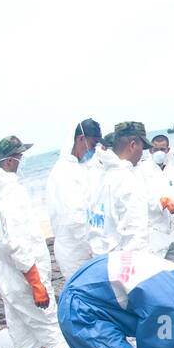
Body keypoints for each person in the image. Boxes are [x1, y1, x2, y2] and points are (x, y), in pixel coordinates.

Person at [0, 135, 77, 348]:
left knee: (23, 337)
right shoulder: (11, 193)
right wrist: (36, 281)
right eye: (21, 156)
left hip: (7, 276)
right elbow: (16, 242)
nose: (22, 160)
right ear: (12, 159)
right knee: (51, 329)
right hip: (24, 277)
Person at [45, 118, 103, 279]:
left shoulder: (82, 167)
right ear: (80, 139)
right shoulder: (63, 172)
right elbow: (75, 219)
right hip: (74, 252)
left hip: (88, 248)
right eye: (92, 145)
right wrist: (97, 247)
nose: (93, 150)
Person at [87, 121, 153, 257]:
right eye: (142, 147)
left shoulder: (99, 177)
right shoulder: (127, 181)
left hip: (100, 259)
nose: (142, 154)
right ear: (133, 145)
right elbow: (137, 236)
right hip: (123, 266)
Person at [137, 133, 174, 258]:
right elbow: (141, 199)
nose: (159, 152)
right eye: (155, 149)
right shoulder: (142, 170)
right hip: (154, 230)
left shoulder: (172, 170)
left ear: (168, 150)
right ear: (150, 150)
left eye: (162, 149)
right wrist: (162, 202)